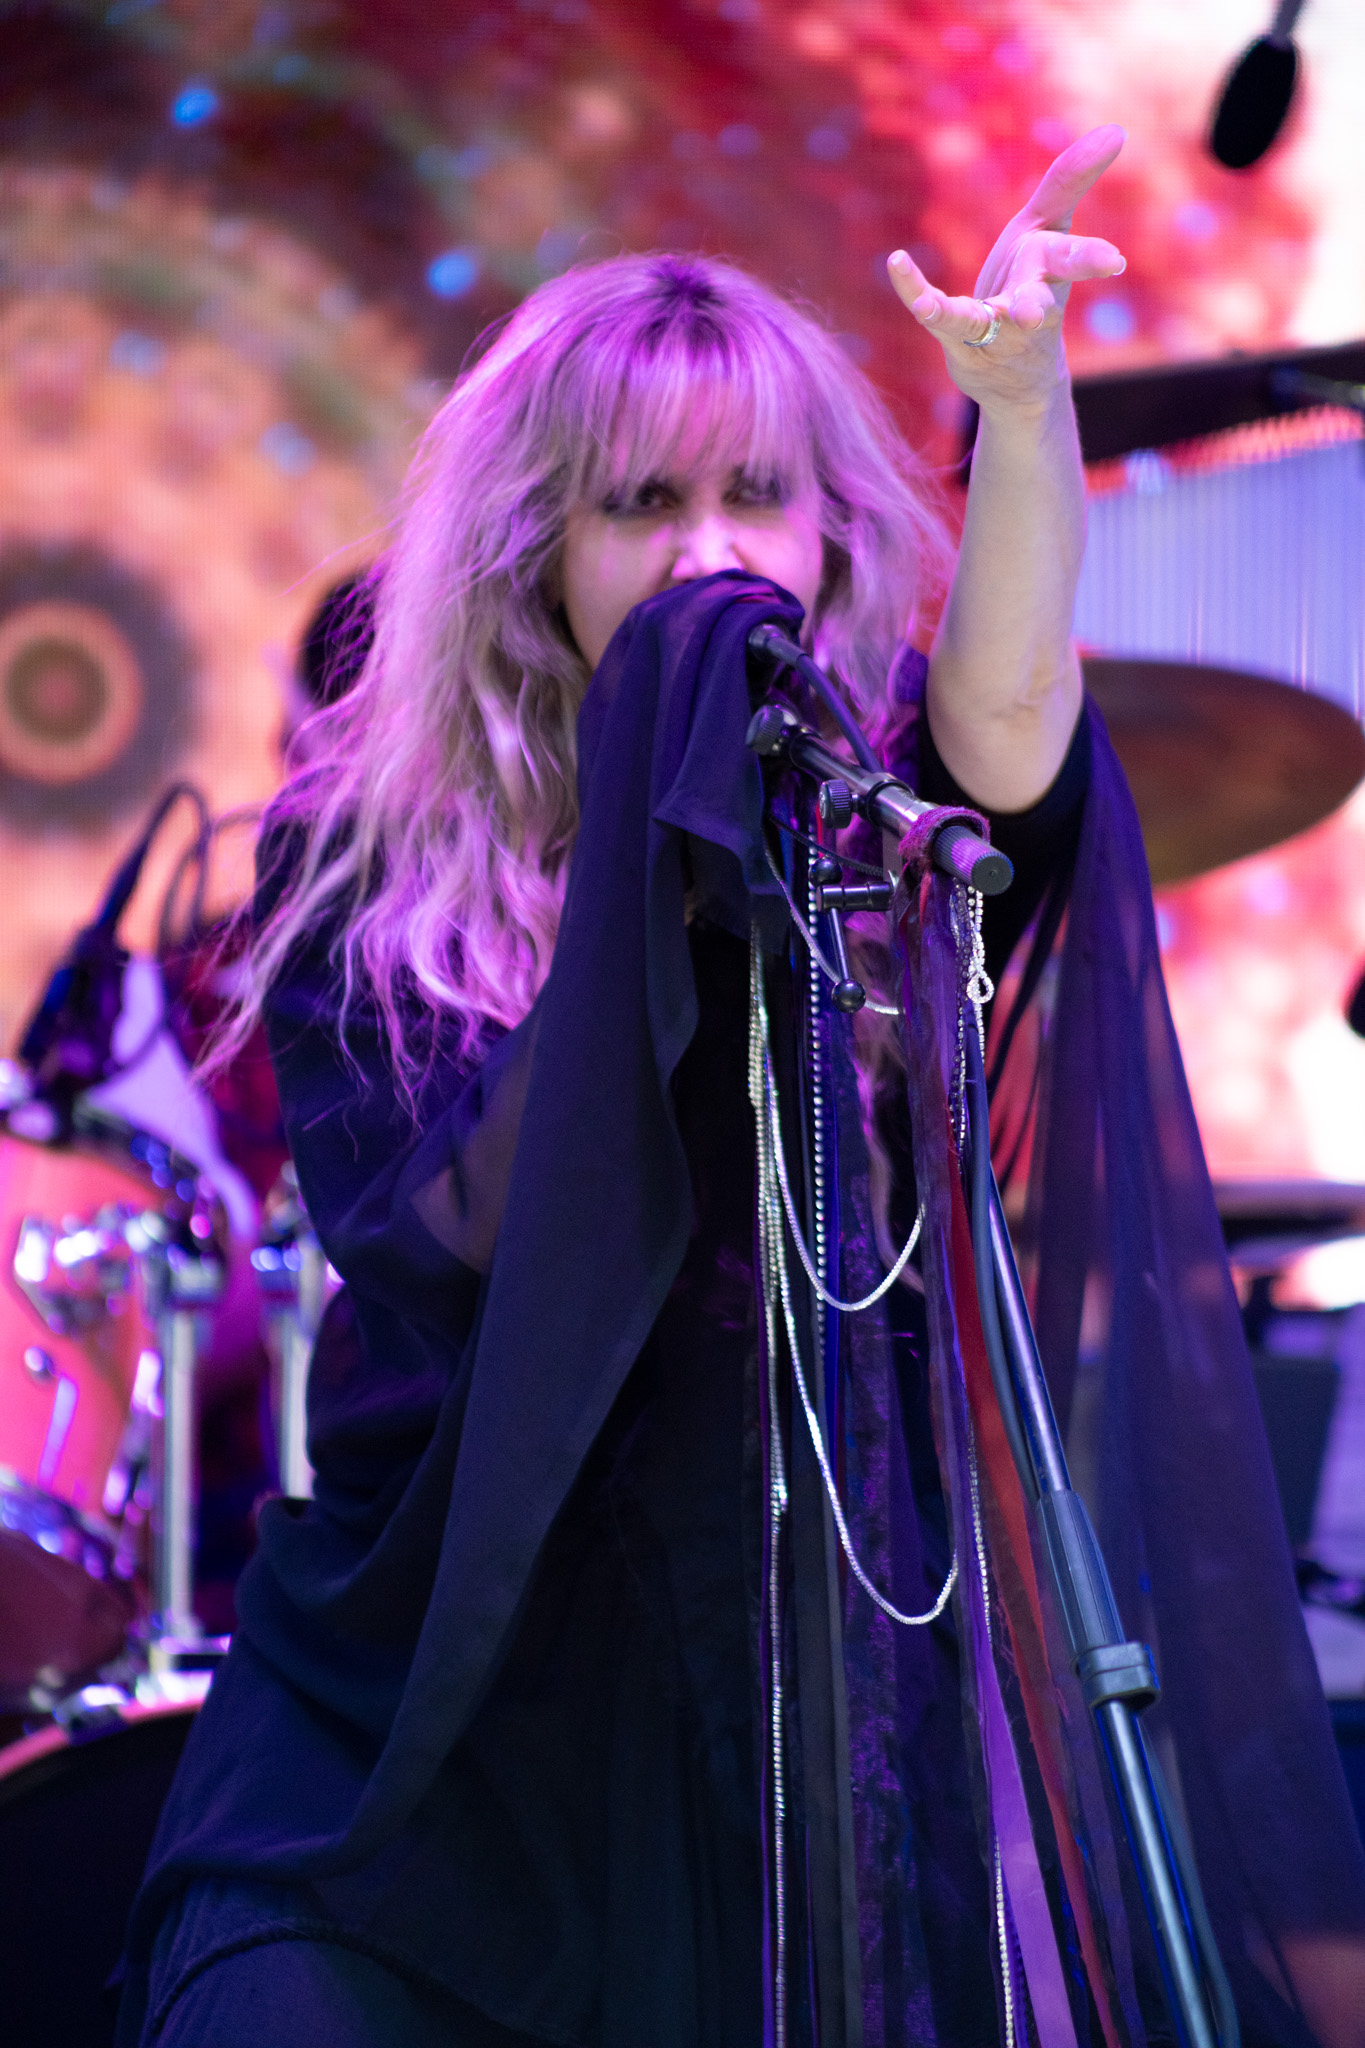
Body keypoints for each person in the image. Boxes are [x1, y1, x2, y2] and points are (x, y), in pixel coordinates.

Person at [116, 127, 1365, 2048]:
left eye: (752, 499)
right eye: (644, 505)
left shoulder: (864, 813)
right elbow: (465, 1244)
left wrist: (1019, 411)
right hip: (427, 1700)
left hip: (780, 1698)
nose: (709, 555)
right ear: (538, 552)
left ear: (825, 536)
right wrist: (661, 836)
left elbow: (1010, 722)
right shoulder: (357, 863)